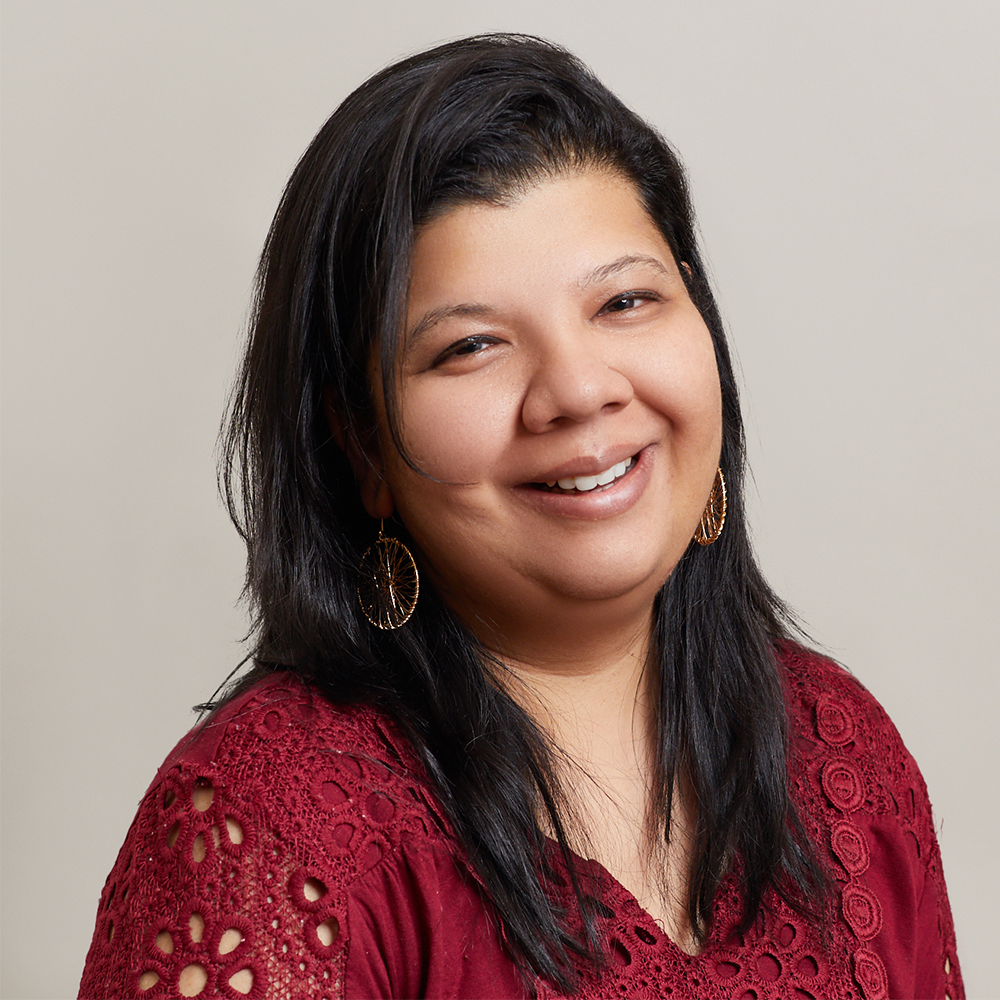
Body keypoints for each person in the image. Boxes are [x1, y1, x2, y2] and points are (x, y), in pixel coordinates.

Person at [78, 34, 962, 1000]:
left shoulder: (841, 751)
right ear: (365, 451)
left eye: (625, 300)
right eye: (470, 347)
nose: (579, 391)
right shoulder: (268, 826)